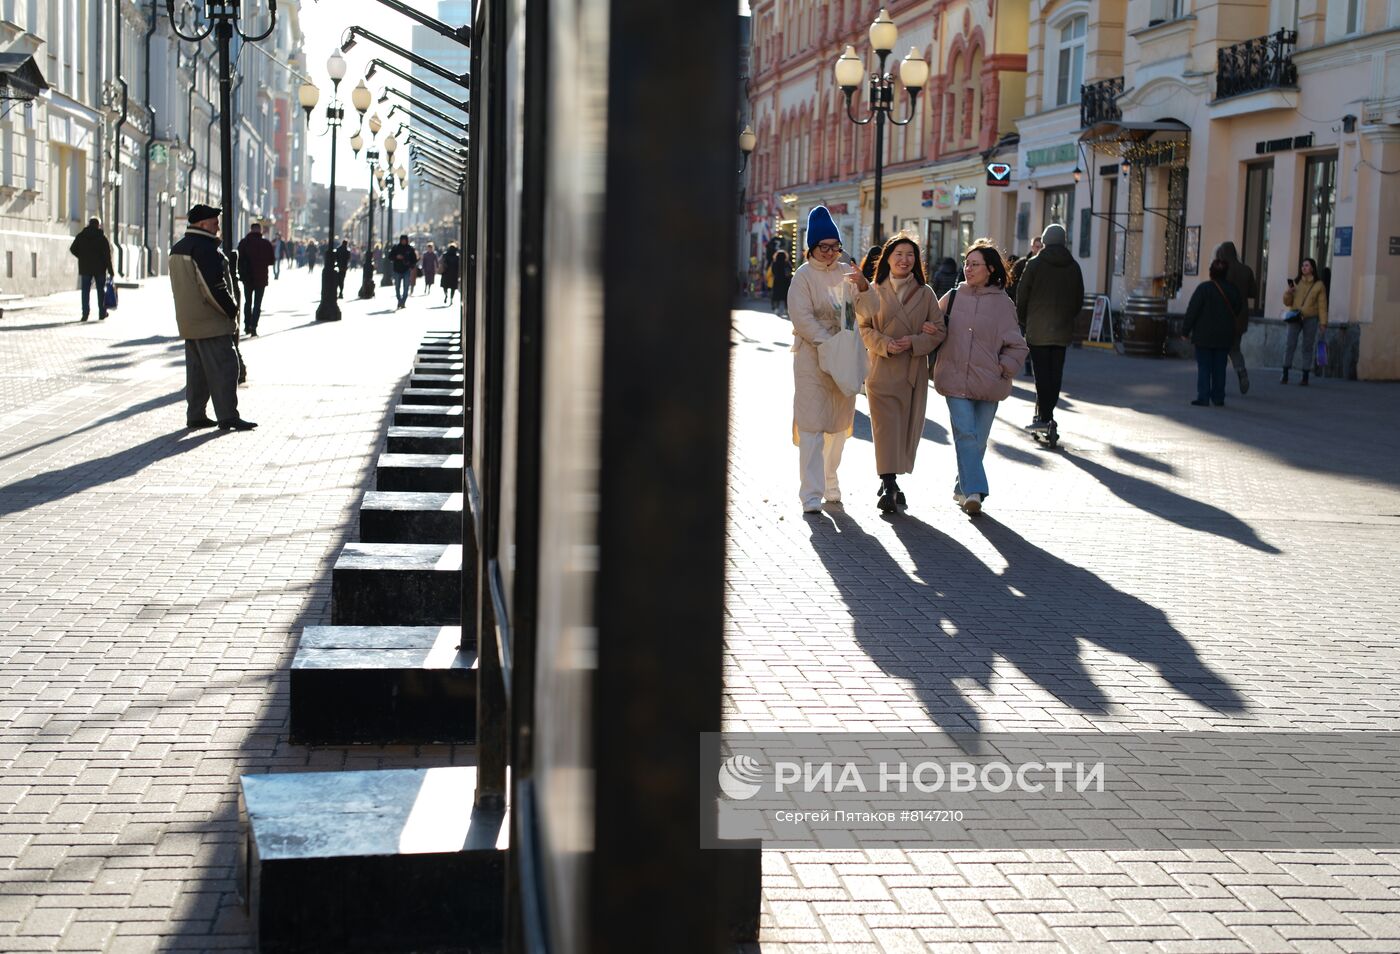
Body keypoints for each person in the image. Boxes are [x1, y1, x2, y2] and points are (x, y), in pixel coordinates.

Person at [931, 239, 1028, 516]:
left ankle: (962, 487)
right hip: (954, 379)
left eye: (974, 264)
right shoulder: (952, 297)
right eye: (966, 263)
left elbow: (1017, 345)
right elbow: (935, 327)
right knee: (965, 434)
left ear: (990, 269)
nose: (968, 269)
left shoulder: (1003, 304)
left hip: (989, 383)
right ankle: (975, 491)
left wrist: (1003, 369)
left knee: (979, 440)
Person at [851, 234, 947, 513]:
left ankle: (890, 479)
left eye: (910, 255)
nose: (905, 260)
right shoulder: (873, 290)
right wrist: (885, 344)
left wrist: (916, 342)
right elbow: (863, 327)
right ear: (888, 259)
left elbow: (939, 330)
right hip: (881, 368)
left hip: (912, 371)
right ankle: (889, 481)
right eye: (899, 254)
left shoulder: (926, 293)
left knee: (905, 429)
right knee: (884, 428)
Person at [788, 206, 857, 514]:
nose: (830, 252)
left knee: (839, 428)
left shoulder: (848, 273)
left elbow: (866, 311)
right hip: (811, 360)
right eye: (824, 247)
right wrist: (827, 342)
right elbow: (801, 317)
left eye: (835, 246)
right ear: (811, 248)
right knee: (813, 427)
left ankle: (831, 477)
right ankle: (811, 494)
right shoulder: (802, 277)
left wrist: (865, 289)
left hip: (843, 359)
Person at [169, 204, 256, 431]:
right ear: (203, 224)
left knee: (197, 372)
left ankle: (196, 414)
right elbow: (213, 287)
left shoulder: (179, 247)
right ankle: (228, 416)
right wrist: (232, 309)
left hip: (189, 321)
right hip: (211, 322)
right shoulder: (205, 249)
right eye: (215, 222)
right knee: (226, 368)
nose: (218, 226)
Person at [1015, 223, 1085, 437]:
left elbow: (1022, 294)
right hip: (1062, 330)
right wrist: (1067, 318)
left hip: (1037, 329)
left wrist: (1023, 320)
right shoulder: (1073, 266)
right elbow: (1078, 299)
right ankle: (1047, 415)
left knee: (1041, 375)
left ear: (1044, 240)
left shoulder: (1035, 264)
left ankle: (1044, 417)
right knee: (1056, 374)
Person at [1182, 258, 1243, 407]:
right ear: (1226, 273)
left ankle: (1203, 397)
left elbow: (1193, 310)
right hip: (1224, 335)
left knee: (1204, 367)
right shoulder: (1233, 289)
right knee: (1220, 367)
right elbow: (1238, 308)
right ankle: (1218, 397)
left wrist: (1185, 330)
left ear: (1211, 272)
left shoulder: (1204, 288)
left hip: (1204, 335)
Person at [1214, 241, 1257, 394]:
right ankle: (1241, 370)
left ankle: (1219, 383)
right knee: (1235, 348)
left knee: (1219, 350)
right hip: (1241, 316)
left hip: (1224, 315)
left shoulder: (1223, 269)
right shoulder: (1246, 270)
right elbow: (1253, 292)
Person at [1281, 257, 1327, 386]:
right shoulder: (1296, 282)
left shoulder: (1319, 285)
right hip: (1295, 317)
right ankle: (1285, 373)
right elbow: (1287, 302)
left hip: (1311, 318)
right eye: (1302, 266)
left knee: (1307, 346)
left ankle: (1305, 376)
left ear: (1312, 268)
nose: (1303, 268)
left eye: (1306, 265)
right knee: (1290, 344)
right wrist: (1288, 292)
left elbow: (1322, 305)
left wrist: (1323, 323)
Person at [68, 217, 115, 322]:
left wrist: (82, 256)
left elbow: (72, 249)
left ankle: (85, 314)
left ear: (89, 224)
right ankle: (102, 313)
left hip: (85, 268)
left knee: (85, 291)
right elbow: (108, 256)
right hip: (100, 269)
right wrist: (111, 270)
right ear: (98, 225)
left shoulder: (82, 236)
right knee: (100, 291)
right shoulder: (102, 238)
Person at [235, 222, 275, 337]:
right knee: (257, 303)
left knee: (248, 302)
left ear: (251, 230)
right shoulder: (266, 244)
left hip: (247, 277)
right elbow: (271, 261)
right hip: (261, 277)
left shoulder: (244, 243)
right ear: (260, 230)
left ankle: (247, 325)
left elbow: (238, 259)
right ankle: (254, 327)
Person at [388, 234, 418, 309]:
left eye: (405, 240)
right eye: (402, 240)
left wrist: (411, 265)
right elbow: (390, 257)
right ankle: (399, 300)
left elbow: (414, 259)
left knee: (406, 287)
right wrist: (396, 257)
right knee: (397, 287)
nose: (404, 241)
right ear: (400, 240)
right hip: (397, 270)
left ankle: (403, 301)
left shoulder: (410, 249)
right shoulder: (396, 248)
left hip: (406, 270)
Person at [769, 249, 792, 317]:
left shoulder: (775, 263)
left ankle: (777, 309)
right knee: (786, 296)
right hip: (785, 281)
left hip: (777, 281)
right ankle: (786, 309)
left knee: (777, 295)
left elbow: (772, 271)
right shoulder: (787, 263)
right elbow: (790, 270)